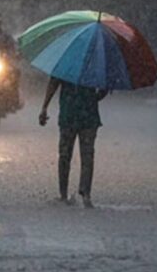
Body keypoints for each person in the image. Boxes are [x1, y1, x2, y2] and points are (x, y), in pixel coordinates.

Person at [39, 78, 108, 208]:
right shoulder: (94, 66)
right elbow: (104, 89)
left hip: (69, 115)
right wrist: (92, 98)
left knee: (65, 155)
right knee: (87, 156)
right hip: (88, 116)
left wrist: (44, 107)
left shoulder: (66, 64)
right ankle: (85, 193)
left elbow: (53, 84)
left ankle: (63, 195)